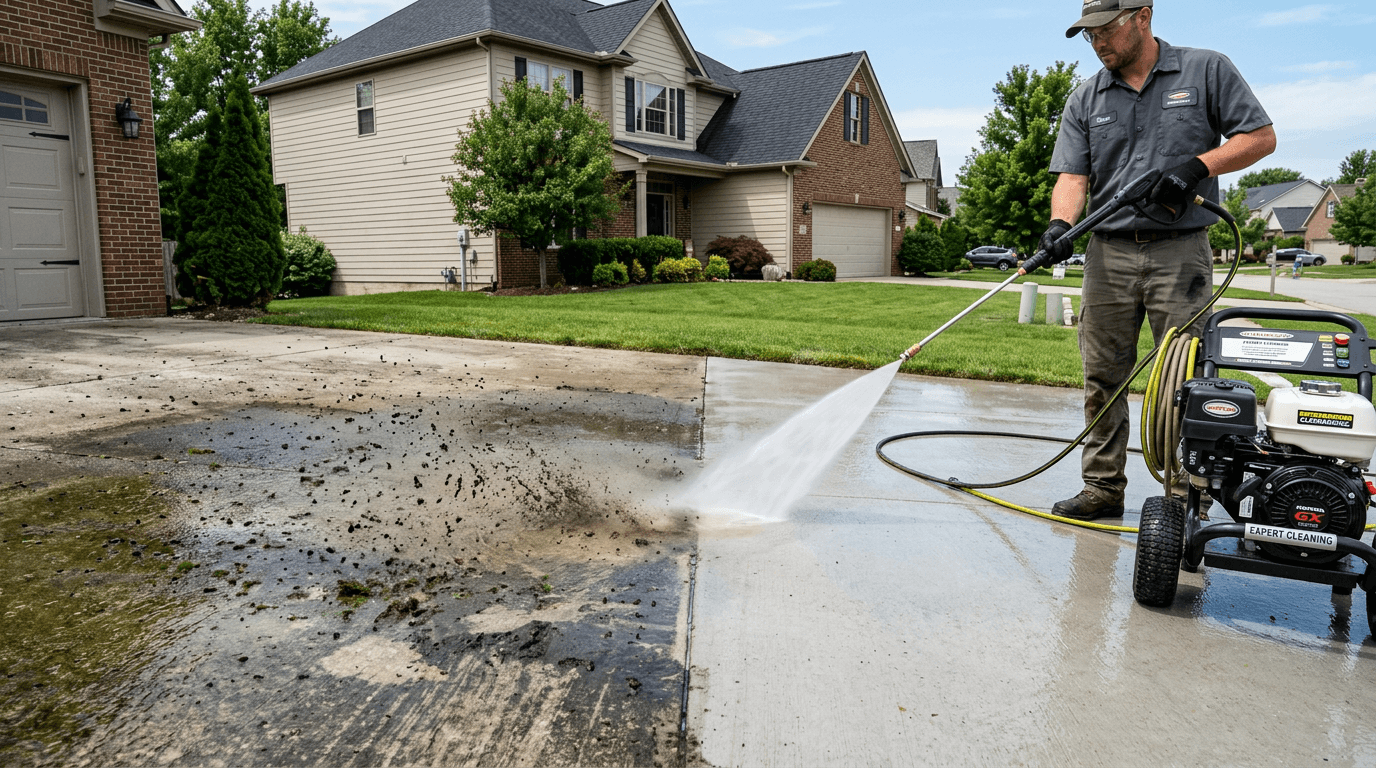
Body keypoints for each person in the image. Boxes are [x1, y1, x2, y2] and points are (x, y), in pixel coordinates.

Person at [1038, 0, 1276, 520]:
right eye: (1089, 35)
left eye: (1105, 30)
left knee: (1185, 377)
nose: (1098, 42)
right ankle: (1102, 487)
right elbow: (1073, 176)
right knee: (1103, 375)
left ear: (1142, 17)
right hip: (1108, 252)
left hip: (1180, 250)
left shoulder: (1205, 69)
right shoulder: (1086, 97)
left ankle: (1186, 495)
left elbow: (1260, 138)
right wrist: (1060, 225)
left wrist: (1196, 167)